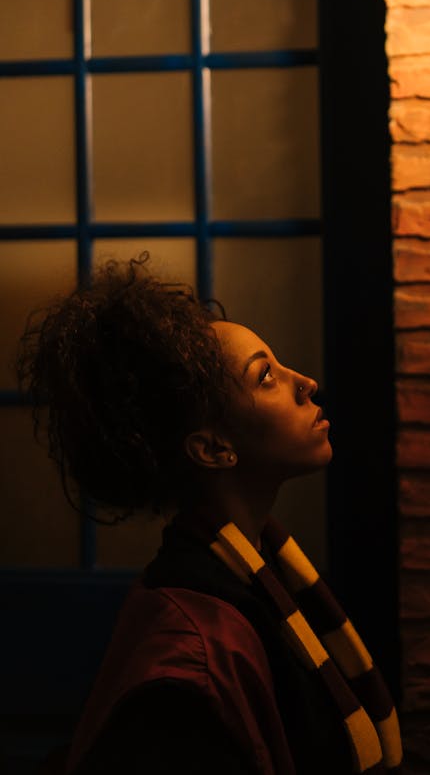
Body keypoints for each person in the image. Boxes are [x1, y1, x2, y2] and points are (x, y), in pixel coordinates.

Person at [18, 257, 402, 775]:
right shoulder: (191, 657)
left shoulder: (253, 575)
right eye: (266, 376)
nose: (306, 382)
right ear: (214, 449)